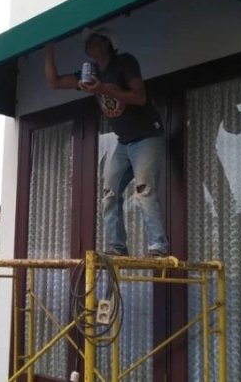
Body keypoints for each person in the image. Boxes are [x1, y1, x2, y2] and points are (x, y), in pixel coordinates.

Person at [44, 27, 169, 257]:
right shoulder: (90, 73)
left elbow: (140, 97)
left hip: (147, 135)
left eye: (94, 40)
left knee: (144, 190)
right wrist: (48, 49)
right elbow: (55, 82)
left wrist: (103, 89)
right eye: (87, 41)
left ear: (107, 42)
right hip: (124, 141)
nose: (88, 44)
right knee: (109, 193)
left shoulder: (124, 62)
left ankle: (158, 246)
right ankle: (117, 248)